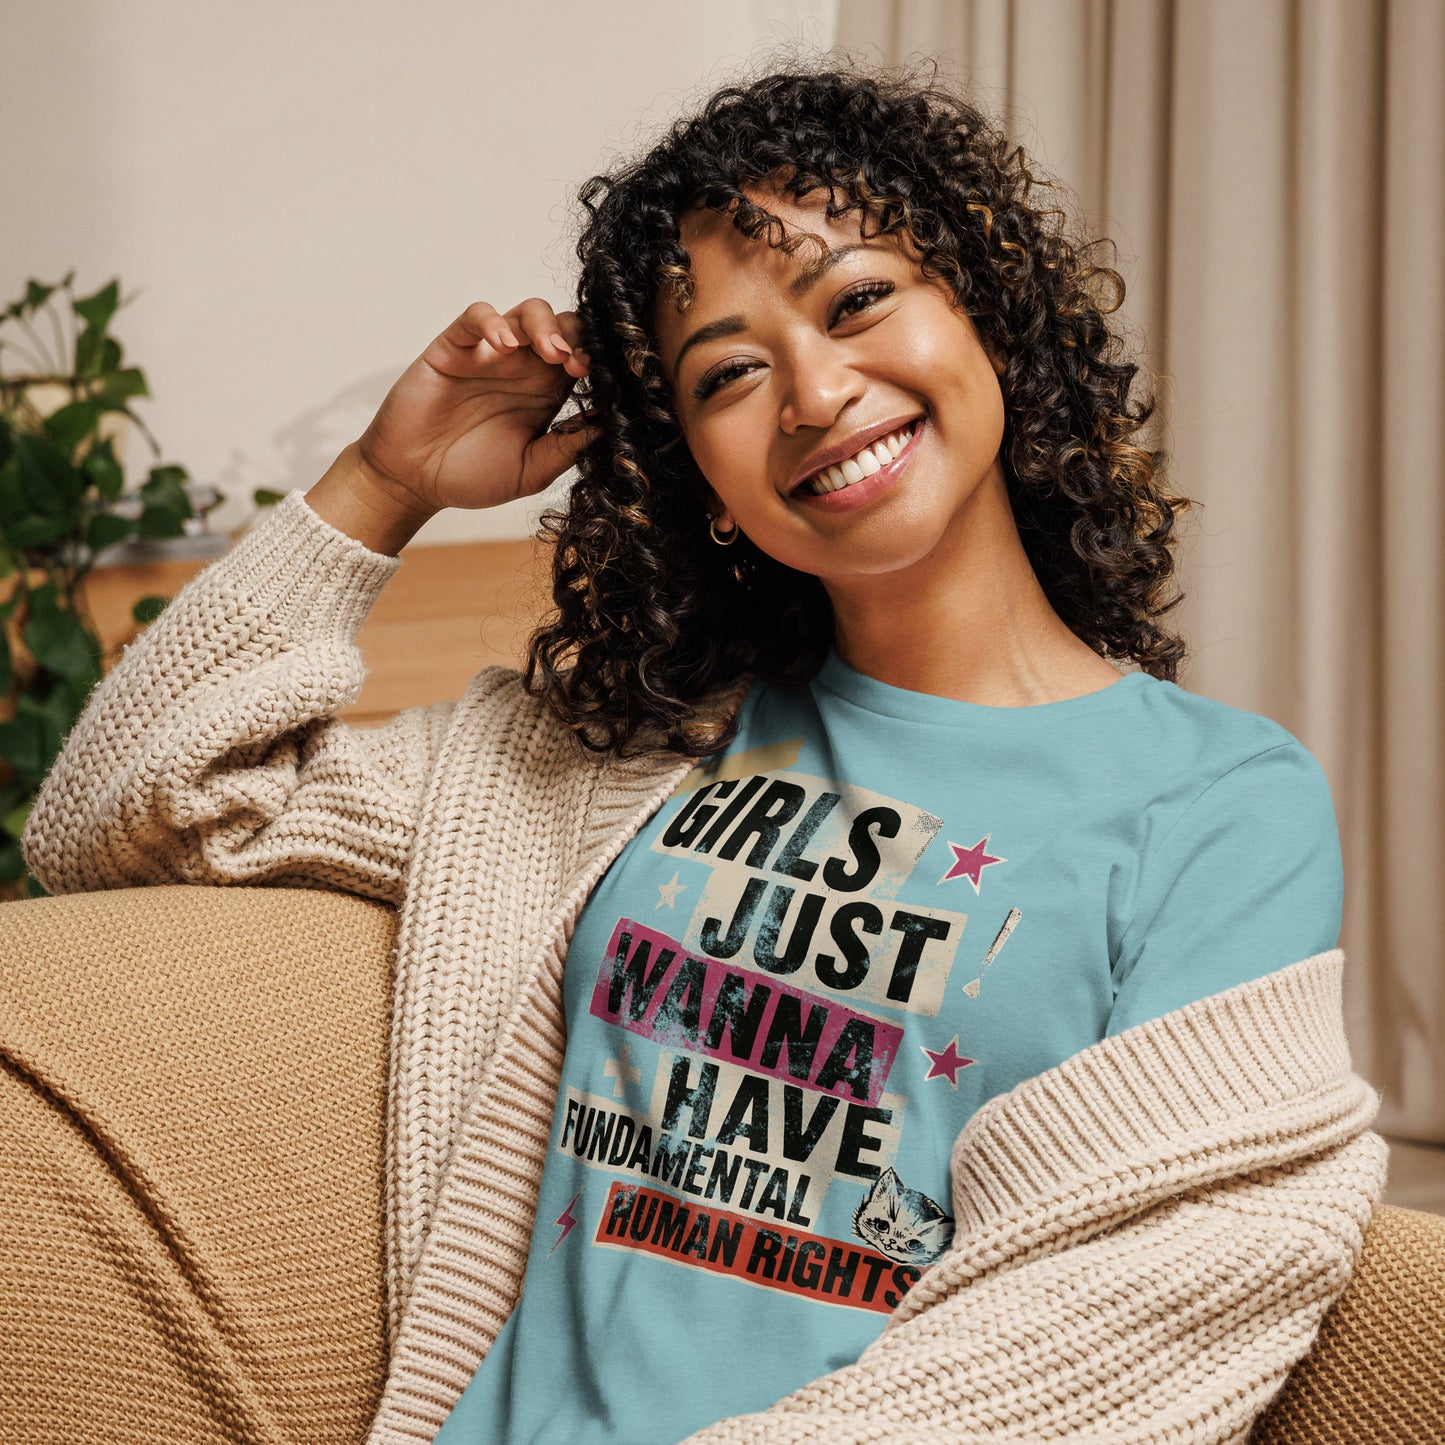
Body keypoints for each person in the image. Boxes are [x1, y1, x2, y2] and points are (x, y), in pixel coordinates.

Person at [17, 63, 1384, 1445]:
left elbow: (1135, 1298)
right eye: (728, 371)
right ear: (700, 477)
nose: (811, 390)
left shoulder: (1216, 801)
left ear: (986, 314)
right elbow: (128, 813)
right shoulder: (613, 760)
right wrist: (383, 482)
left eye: (857, 301)